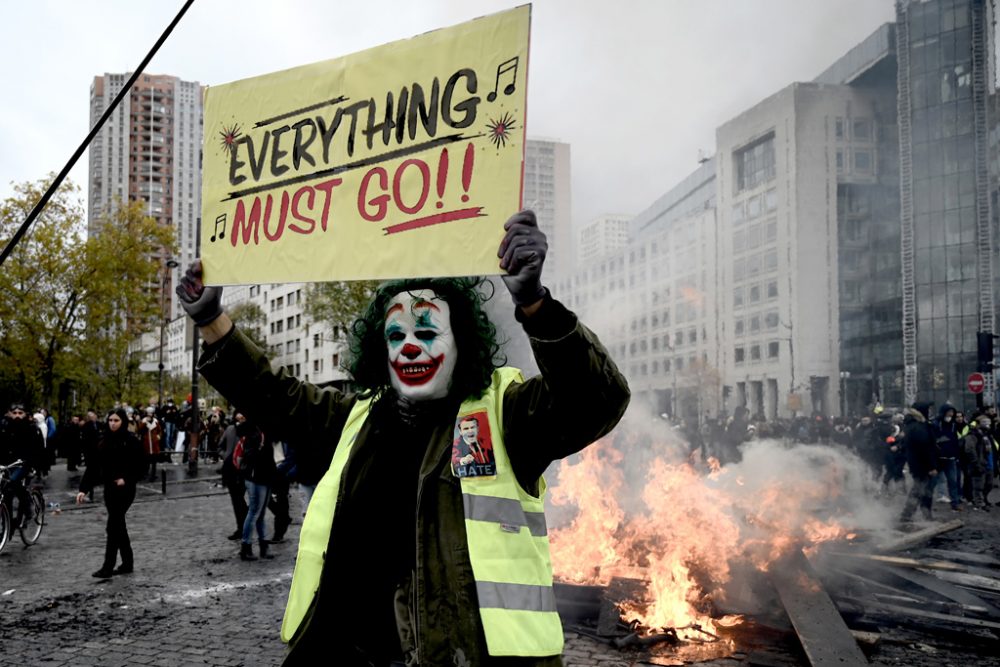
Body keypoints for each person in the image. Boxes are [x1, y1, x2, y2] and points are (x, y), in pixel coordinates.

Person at [175, 209, 630, 666]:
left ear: (462, 343)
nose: (409, 346)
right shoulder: (358, 417)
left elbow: (597, 400)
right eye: (396, 335)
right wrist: (212, 319)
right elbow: (275, 395)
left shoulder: (504, 415)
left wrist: (535, 304)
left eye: (427, 330)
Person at [75, 408, 146, 578]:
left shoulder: (131, 440)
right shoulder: (103, 441)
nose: (113, 424)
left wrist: (127, 479)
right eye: (110, 420)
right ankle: (127, 563)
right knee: (118, 526)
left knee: (113, 526)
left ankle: (108, 566)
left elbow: (142, 465)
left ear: (123, 422)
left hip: (126, 490)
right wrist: (83, 489)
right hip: (110, 490)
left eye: (116, 421)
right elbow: (93, 467)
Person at [235, 420, 276, 561]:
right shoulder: (256, 433)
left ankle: (261, 547)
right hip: (258, 476)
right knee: (254, 512)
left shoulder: (258, 432)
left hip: (261, 476)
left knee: (259, 513)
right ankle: (246, 546)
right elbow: (253, 455)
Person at [0, 403, 44, 527]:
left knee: (13, 482)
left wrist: (32, 464)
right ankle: (7, 520)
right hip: (8, 463)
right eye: (14, 413)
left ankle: (28, 506)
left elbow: (38, 449)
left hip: (25, 463)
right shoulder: (5, 427)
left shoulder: (31, 428)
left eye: (20, 413)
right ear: (9, 414)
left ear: (25, 414)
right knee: (5, 490)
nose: (17, 416)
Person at [900, 400, 938, 523]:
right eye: (928, 409)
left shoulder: (914, 425)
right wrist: (931, 466)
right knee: (920, 489)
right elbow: (925, 448)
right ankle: (907, 515)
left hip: (917, 463)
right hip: (922, 464)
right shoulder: (918, 427)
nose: (930, 412)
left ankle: (924, 514)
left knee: (922, 489)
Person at [218, 411, 248, 540]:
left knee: (242, 499)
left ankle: (245, 525)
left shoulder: (251, 431)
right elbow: (220, 446)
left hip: (244, 469)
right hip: (230, 469)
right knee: (237, 500)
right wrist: (226, 456)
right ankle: (241, 527)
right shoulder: (230, 429)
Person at [137, 407, 163, 481]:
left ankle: (153, 475)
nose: (149, 414)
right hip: (147, 442)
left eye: (151, 413)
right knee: (146, 460)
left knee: (154, 461)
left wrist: (158, 437)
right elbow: (139, 430)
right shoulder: (143, 421)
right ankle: (146, 474)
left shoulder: (156, 421)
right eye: (148, 413)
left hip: (154, 443)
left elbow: (160, 430)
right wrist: (144, 423)